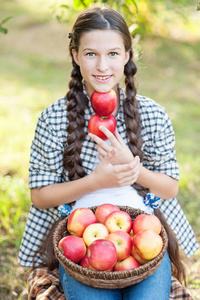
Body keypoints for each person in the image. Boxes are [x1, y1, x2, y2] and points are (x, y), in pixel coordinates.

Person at [18, 6, 198, 300]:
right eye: (91, 54)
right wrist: (96, 181)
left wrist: (133, 168)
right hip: (80, 240)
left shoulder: (151, 114)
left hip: (141, 236)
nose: (102, 66)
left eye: (113, 54)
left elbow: (170, 187)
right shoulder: (53, 118)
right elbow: (40, 196)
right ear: (75, 56)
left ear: (127, 55)